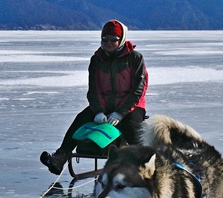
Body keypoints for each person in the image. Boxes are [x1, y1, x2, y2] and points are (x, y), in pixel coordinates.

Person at [40, 20, 148, 175]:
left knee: (131, 128)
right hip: (104, 105)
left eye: (113, 39)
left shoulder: (134, 58)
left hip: (131, 106)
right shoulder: (97, 60)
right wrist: (98, 111)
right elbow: (93, 90)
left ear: (122, 40)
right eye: (105, 39)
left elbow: (138, 90)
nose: (108, 43)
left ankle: (146, 166)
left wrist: (121, 113)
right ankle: (60, 156)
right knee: (81, 119)